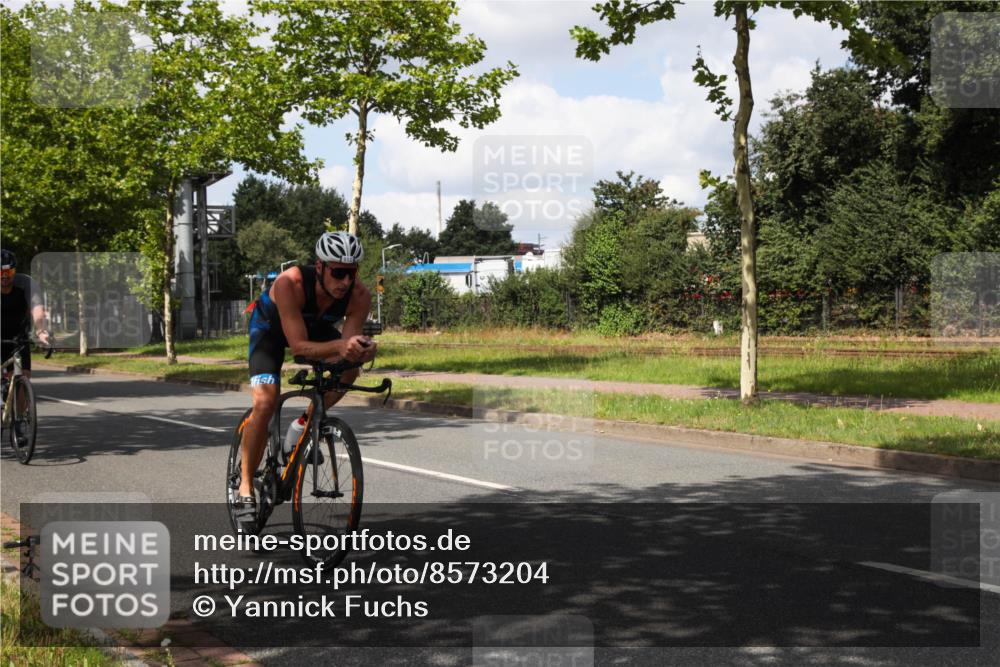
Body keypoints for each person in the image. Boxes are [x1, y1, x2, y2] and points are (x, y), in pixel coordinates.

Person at [235, 232, 376, 528]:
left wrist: (359, 351)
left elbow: (346, 348)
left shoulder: (360, 296)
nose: (346, 282)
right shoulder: (291, 283)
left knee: (350, 370)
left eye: (352, 273)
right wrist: (341, 346)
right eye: (338, 272)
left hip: (315, 331)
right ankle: (245, 488)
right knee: (265, 402)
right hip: (270, 332)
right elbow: (299, 348)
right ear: (320, 267)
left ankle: (302, 427)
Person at [1, 249, 51, 378]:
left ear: (14, 271)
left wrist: (41, 331)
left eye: (8, 272)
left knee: (23, 377)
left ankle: (21, 395)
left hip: (19, 338)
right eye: (1, 272)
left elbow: (37, 309)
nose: (4, 276)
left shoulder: (26, 283)